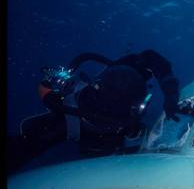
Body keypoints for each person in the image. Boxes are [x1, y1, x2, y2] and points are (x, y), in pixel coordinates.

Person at [8, 49, 179, 174]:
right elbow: (20, 149)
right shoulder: (65, 121)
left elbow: (151, 58)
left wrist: (170, 91)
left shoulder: (124, 76)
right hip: (93, 139)